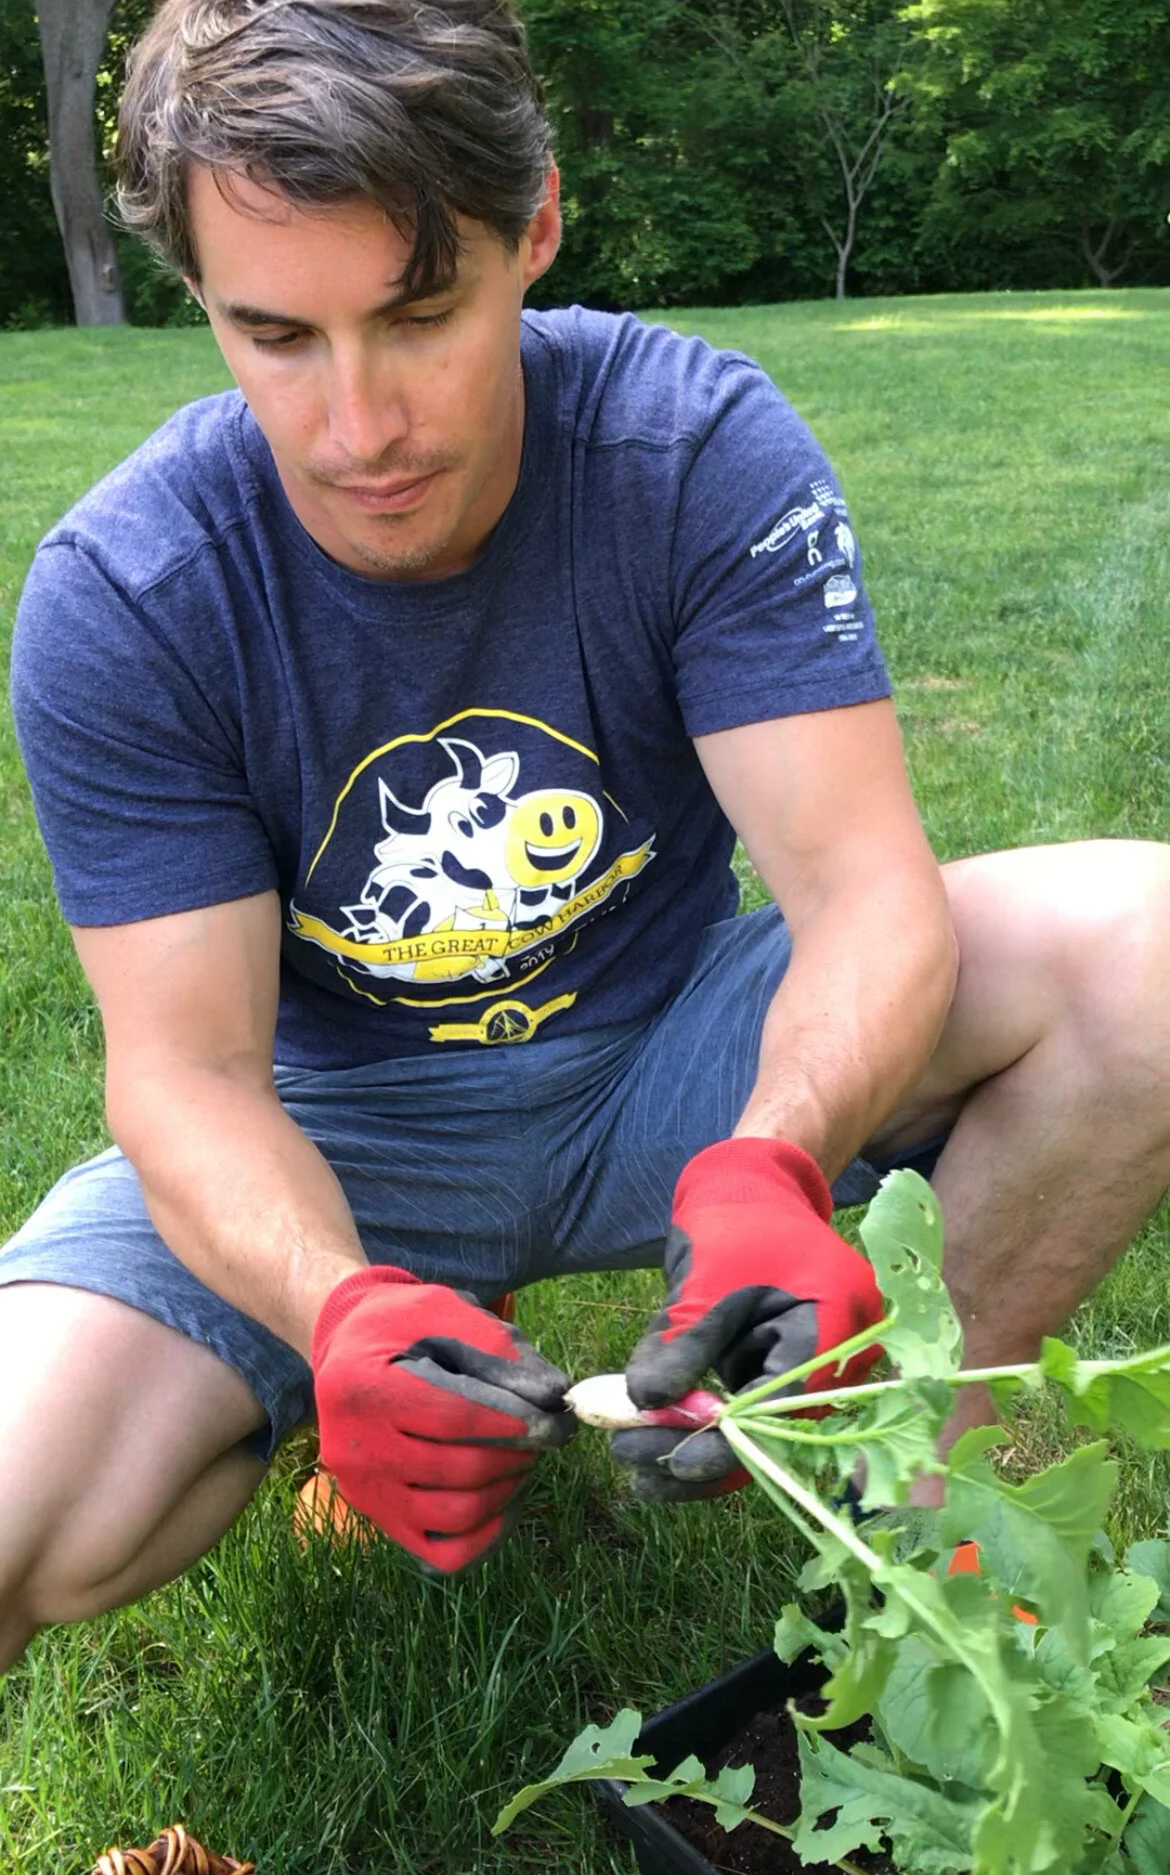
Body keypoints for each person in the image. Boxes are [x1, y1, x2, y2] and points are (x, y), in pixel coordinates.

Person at [2, 0, 1168, 1671]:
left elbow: (858, 895)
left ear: (533, 227)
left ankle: (874, 1508)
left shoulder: (687, 446)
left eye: (419, 314)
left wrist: (775, 1154)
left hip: (664, 1049)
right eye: (274, 334)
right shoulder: (131, 588)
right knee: (20, 1497)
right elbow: (184, 1075)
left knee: (1149, 951)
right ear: (199, 295)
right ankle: (397, 1358)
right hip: (338, 1130)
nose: (357, 427)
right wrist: (334, 1305)